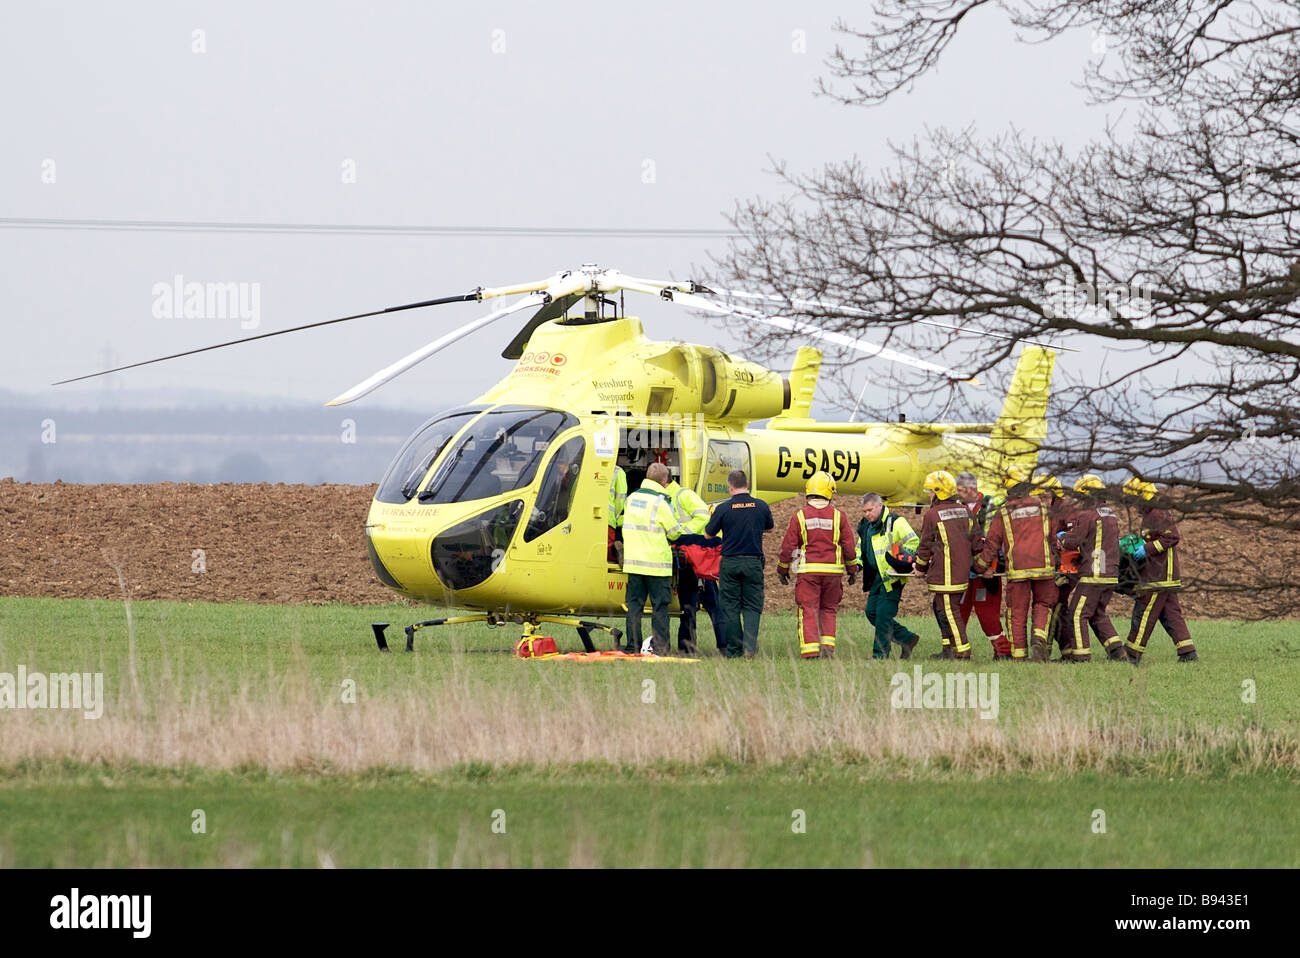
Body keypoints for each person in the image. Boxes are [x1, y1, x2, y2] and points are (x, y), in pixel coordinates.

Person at [974, 465, 1057, 661]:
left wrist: (979, 565)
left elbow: (992, 544)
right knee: (1043, 604)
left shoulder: (1003, 512)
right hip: (1044, 567)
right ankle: (1039, 636)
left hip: (1018, 570)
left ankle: (1019, 656)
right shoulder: (1045, 508)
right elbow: (1053, 539)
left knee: (1017, 612)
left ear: (1009, 488)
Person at [776, 472, 859, 659]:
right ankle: (828, 649)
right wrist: (852, 570)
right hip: (833, 574)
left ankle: (811, 651)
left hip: (808, 574)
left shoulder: (799, 516)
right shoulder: (839, 517)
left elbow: (788, 546)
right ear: (829, 492)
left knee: (809, 610)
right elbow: (848, 546)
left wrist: (782, 569)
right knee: (829, 609)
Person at [1122, 479, 1198, 663]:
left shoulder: (1157, 513)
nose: (1132, 504)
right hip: (1163, 575)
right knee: (1170, 614)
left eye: (1132, 498)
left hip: (1160, 575)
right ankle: (1187, 652)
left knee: (1144, 611)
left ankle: (1132, 653)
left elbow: (1172, 537)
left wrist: (1146, 549)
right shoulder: (1151, 513)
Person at [705, 469, 774, 659]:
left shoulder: (724, 508)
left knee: (730, 607)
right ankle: (750, 648)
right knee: (752, 606)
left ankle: (734, 651)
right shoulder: (761, 506)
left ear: (730, 487)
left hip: (730, 563)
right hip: (753, 562)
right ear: (748, 484)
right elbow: (769, 528)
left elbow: (708, 534)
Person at [621, 462, 688, 655]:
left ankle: (632, 646)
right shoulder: (661, 502)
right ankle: (660, 648)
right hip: (656, 566)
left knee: (634, 607)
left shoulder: (632, 498)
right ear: (665, 481)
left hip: (634, 564)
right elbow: (674, 532)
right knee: (660, 607)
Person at [912, 470, 979, 660]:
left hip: (946, 574)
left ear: (938, 492)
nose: (928, 494)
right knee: (940, 607)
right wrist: (982, 566)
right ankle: (948, 648)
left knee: (950, 611)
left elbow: (925, 546)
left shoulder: (933, 515)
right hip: (960, 572)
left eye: (930, 491)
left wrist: (920, 567)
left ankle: (962, 651)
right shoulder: (966, 511)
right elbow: (976, 543)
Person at [1058, 475, 1125, 661]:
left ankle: (1080, 656)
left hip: (1093, 575)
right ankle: (1117, 651)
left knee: (1077, 614)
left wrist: (1062, 538)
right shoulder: (1110, 514)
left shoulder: (1088, 515)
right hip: (1110, 574)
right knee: (1098, 614)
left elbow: (1074, 541)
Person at [856, 491, 922, 659]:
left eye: (870, 510)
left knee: (883, 616)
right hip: (876, 577)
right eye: (864, 511)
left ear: (880, 506)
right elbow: (860, 548)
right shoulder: (866, 526)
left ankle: (880, 655)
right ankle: (907, 638)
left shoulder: (896, 522)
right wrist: (857, 564)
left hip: (893, 577)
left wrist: (902, 558)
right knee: (871, 613)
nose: (867, 514)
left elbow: (914, 541)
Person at [956, 471, 1012, 660]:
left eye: (960, 490)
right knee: (958, 611)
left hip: (987, 571)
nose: (957, 494)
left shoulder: (993, 505)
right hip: (963, 571)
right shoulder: (956, 507)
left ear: (972, 489)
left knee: (986, 612)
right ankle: (956, 651)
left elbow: (1001, 540)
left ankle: (1003, 652)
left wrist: (994, 567)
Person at [663, 473, 722, 655]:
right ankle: (687, 648)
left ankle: (725, 646)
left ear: (664, 481)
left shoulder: (683, 495)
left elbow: (704, 517)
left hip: (697, 557)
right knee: (688, 605)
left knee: (711, 604)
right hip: (686, 557)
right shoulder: (663, 498)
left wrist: (681, 534)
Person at [607, 464, 627, 563]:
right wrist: (616, 516)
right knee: (607, 550)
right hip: (608, 517)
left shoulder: (589, 466)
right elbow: (621, 498)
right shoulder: (618, 471)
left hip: (586, 516)